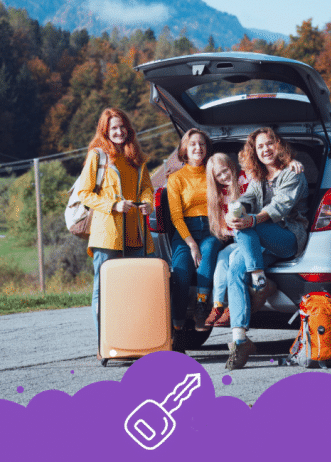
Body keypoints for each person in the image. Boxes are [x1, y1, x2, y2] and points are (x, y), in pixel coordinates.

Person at [223, 128, 309, 370]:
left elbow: (279, 209)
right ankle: (240, 340)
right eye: (260, 147)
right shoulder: (258, 178)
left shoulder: (293, 173)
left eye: (269, 143)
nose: (266, 149)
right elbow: (248, 197)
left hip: (289, 237)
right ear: (255, 153)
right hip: (262, 244)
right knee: (234, 268)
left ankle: (259, 280)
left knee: (247, 224)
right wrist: (235, 210)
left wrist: (248, 219)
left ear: (278, 145)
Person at [76, 108, 154, 353]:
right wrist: (113, 205)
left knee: (135, 292)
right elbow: (84, 193)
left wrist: (147, 202)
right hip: (108, 235)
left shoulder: (136, 157)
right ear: (105, 131)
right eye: (113, 128)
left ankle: (132, 344)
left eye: (122, 127)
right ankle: (106, 344)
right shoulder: (97, 156)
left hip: (136, 234)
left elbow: (146, 189)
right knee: (105, 291)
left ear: (128, 128)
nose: (119, 132)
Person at [167, 129, 222, 338]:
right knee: (181, 274)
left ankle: (201, 308)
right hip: (185, 232)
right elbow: (176, 217)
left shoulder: (214, 173)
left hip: (211, 227)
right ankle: (177, 329)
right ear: (185, 150)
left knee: (208, 250)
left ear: (207, 149)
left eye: (202, 144)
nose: (198, 148)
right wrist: (191, 244)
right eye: (193, 145)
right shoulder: (176, 179)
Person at [202, 153, 249, 328]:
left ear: (232, 167)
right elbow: (224, 228)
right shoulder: (219, 194)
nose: (224, 177)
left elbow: (257, 171)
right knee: (221, 259)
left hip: (249, 237)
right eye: (219, 176)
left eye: (225, 171)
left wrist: (291, 164)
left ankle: (232, 306)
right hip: (236, 239)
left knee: (230, 259)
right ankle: (217, 305)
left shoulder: (244, 180)